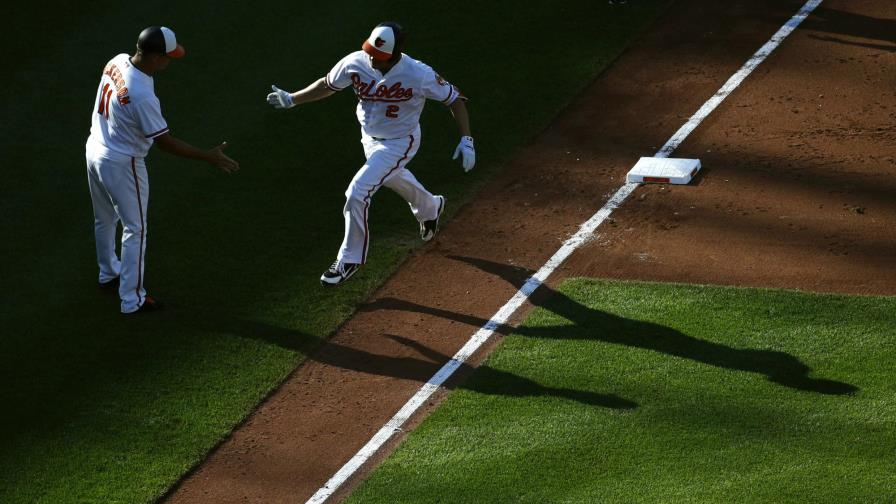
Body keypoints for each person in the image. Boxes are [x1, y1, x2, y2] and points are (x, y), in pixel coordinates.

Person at [267, 21, 474, 286]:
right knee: (388, 176)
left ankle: (349, 259)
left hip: (401, 142)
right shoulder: (357, 61)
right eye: (370, 52)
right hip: (369, 139)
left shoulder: (418, 73)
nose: (372, 59)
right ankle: (430, 206)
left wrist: (466, 139)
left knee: (357, 192)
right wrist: (292, 98)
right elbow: (328, 84)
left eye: (379, 56)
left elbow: (455, 99)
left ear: (396, 54)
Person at [86, 26, 240, 313]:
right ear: (155, 57)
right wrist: (208, 156)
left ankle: (108, 272)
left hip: (95, 147)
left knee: (104, 218)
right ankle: (132, 299)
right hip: (122, 162)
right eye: (168, 56)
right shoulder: (142, 94)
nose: (170, 61)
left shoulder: (117, 60)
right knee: (137, 228)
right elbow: (165, 142)